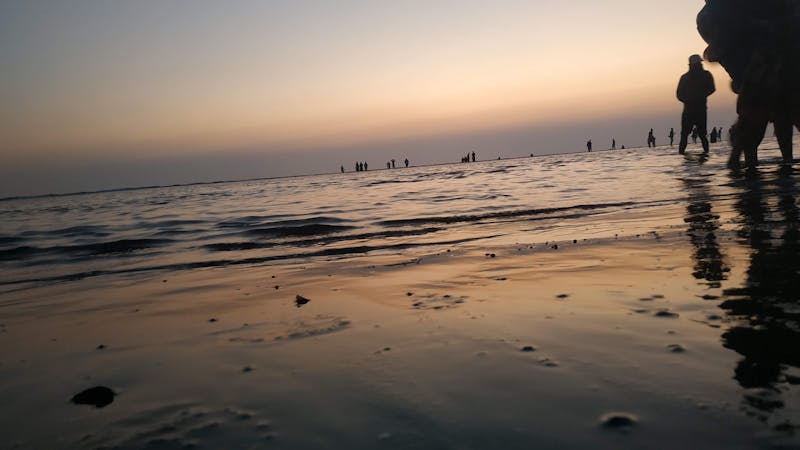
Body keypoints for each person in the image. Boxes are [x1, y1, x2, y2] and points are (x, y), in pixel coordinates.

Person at [677, 54, 715, 154]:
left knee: (700, 135)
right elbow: (679, 94)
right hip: (693, 110)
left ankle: (704, 154)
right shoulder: (686, 78)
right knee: (688, 135)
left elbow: (712, 89)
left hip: (697, 110)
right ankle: (704, 154)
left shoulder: (704, 75)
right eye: (699, 64)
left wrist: (698, 97)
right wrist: (691, 99)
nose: (700, 66)